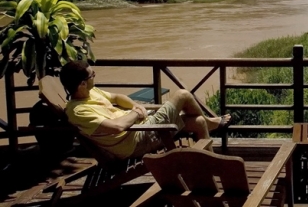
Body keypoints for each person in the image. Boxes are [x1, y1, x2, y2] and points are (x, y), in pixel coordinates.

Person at [60, 60, 231, 159]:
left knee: (198, 122)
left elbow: (116, 97)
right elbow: (117, 127)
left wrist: (136, 106)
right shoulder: (78, 111)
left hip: (144, 126)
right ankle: (212, 124)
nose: (94, 77)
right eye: (92, 75)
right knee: (182, 94)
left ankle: (214, 162)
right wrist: (135, 114)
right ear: (82, 84)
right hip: (137, 140)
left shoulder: (91, 92)